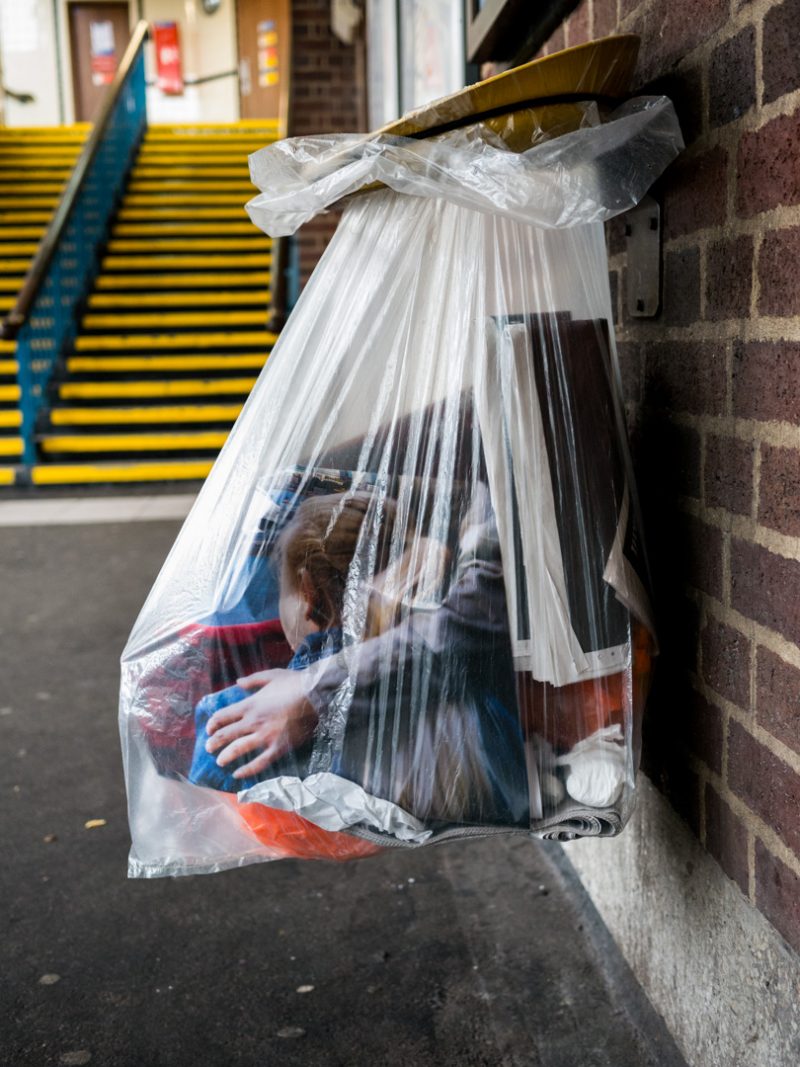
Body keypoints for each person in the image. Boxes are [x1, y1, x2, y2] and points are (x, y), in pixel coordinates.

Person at [203, 482, 531, 828]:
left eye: (282, 592)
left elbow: (211, 760)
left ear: (309, 594)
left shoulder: (303, 687)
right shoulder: (470, 683)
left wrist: (310, 689)